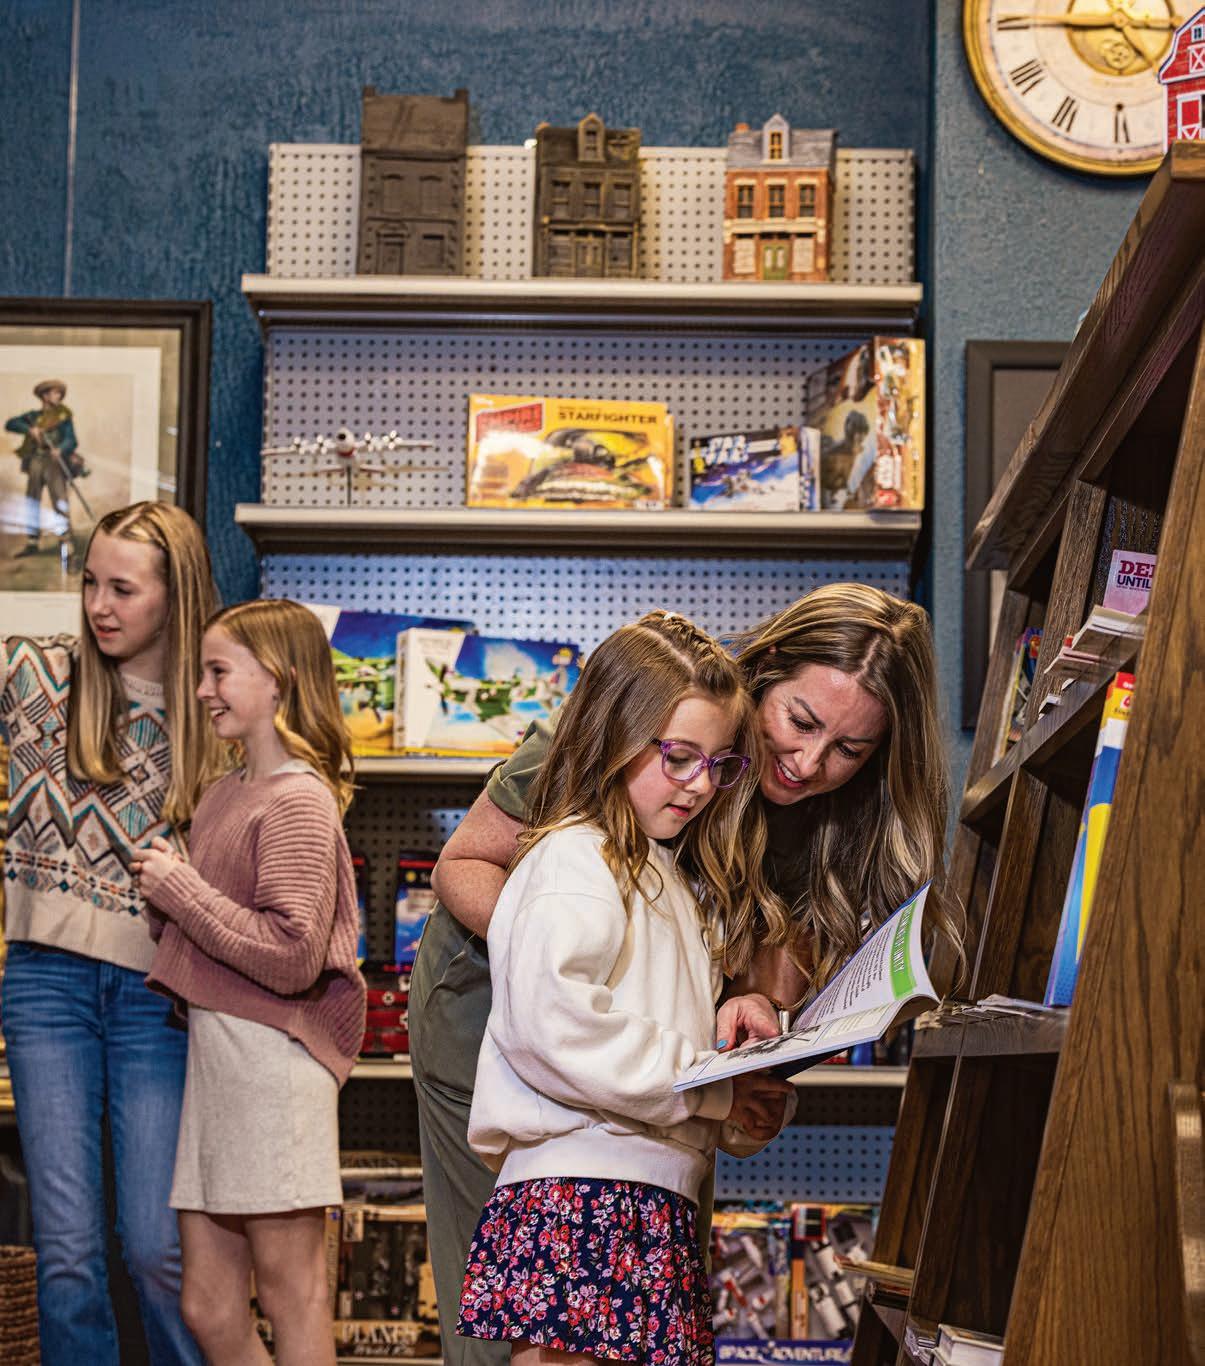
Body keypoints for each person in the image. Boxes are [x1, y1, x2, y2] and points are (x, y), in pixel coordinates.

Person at [410, 582, 962, 1365]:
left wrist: (746, 1015)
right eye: (800, 721)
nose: (808, 763)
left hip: (656, 1080)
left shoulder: (835, 816)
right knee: (508, 1333)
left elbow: (763, 961)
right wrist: (595, 966)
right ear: (765, 671)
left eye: (849, 750)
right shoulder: (650, 717)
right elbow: (465, 865)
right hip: (501, 1021)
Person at [455, 612, 794, 1364]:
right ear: (613, 736)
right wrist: (712, 1089)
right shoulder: (575, 858)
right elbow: (558, 1027)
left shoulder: (667, 875)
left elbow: (658, 1046)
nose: (700, 785)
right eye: (678, 757)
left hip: (642, 1192)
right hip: (583, 1190)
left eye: (719, 764)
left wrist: (740, 1097)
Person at [0, 500, 220, 1365]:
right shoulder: (33, 674)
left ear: (176, 594)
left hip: (157, 994)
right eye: (90, 582)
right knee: (67, 1256)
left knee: (159, 1251)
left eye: (123, 589)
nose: (98, 605)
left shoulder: (216, 710)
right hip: (45, 983)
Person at [131, 599, 367, 1366]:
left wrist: (180, 892)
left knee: (293, 1295)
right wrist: (167, 901)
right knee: (206, 1304)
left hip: (272, 1071)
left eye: (218, 671)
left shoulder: (299, 800)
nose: (203, 690)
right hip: (219, 1069)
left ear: (279, 679)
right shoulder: (223, 794)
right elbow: (217, 935)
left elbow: (292, 954)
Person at [5, 379, 85, 559]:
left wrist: (61, 449)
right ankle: (32, 542)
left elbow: (72, 440)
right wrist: (29, 429)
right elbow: (10, 424)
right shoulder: (33, 417)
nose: (58, 396)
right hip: (35, 461)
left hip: (54, 462)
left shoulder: (64, 417)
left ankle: (66, 541)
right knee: (32, 500)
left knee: (60, 500)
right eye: (55, 393)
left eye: (59, 393)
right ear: (45, 396)